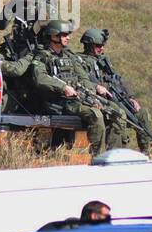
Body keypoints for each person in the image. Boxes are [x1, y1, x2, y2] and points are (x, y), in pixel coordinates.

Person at [26, 20, 127, 155]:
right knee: (95, 114)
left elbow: (83, 79)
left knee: (117, 112)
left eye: (68, 34)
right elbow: (40, 78)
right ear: (54, 36)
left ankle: (115, 155)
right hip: (58, 102)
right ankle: (98, 156)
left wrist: (95, 88)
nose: (68, 37)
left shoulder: (69, 56)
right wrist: (63, 87)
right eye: (64, 35)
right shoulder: (42, 56)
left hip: (78, 99)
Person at [79, 27, 152, 153]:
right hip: (100, 101)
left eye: (103, 45)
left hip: (116, 98)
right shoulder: (81, 61)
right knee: (119, 114)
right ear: (89, 45)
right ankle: (115, 153)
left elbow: (118, 80)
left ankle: (147, 153)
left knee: (143, 114)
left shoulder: (104, 61)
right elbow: (84, 81)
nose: (102, 48)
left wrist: (130, 98)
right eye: (98, 46)